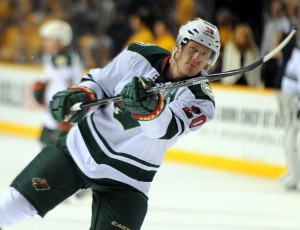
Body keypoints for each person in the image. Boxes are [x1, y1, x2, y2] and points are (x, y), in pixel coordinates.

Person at [0, 18, 221, 230]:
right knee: (11, 204)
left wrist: (150, 108)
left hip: (128, 179)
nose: (197, 58)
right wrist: (81, 95)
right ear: (179, 46)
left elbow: (161, 130)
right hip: (81, 149)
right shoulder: (139, 54)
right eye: (194, 49)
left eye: (205, 54)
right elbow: (100, 82)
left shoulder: (202, 100)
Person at [32, 19, 84, 146]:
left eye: (48, 39)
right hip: (55, 111)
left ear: (59, 41)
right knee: (44, 143)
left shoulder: (65, 59)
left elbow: (71, 87)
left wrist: (67, 114)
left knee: (55, 151)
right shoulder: (52, 56)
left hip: (62, 113)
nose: (44, 43)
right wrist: (43, 88)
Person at [279, 46, 300, 190]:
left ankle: (296, 176)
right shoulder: (296, 52)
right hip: (291, 102)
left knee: (294, 143)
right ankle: (293, 172)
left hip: (296, 103)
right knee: (288, 140)